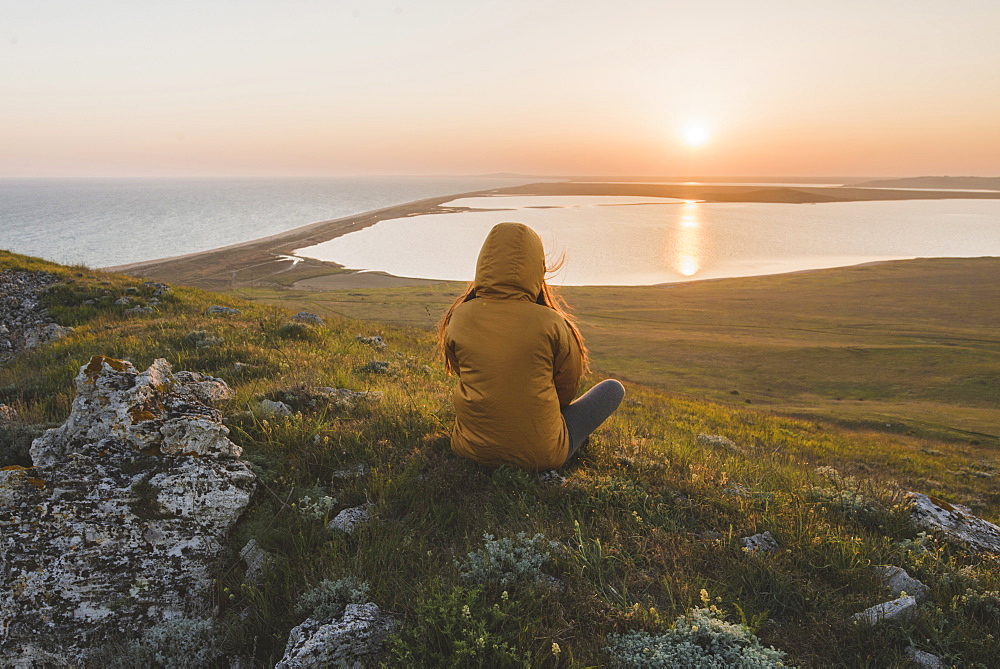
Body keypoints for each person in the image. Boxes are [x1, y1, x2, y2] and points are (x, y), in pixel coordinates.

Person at [438, 222, 625, 472]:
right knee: (612, 389)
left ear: (484, 263)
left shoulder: (460, 316)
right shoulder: (551, 322)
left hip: (469, 448)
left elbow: (465, 372)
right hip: (541, 455)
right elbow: (566, 391)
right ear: (537, 268)